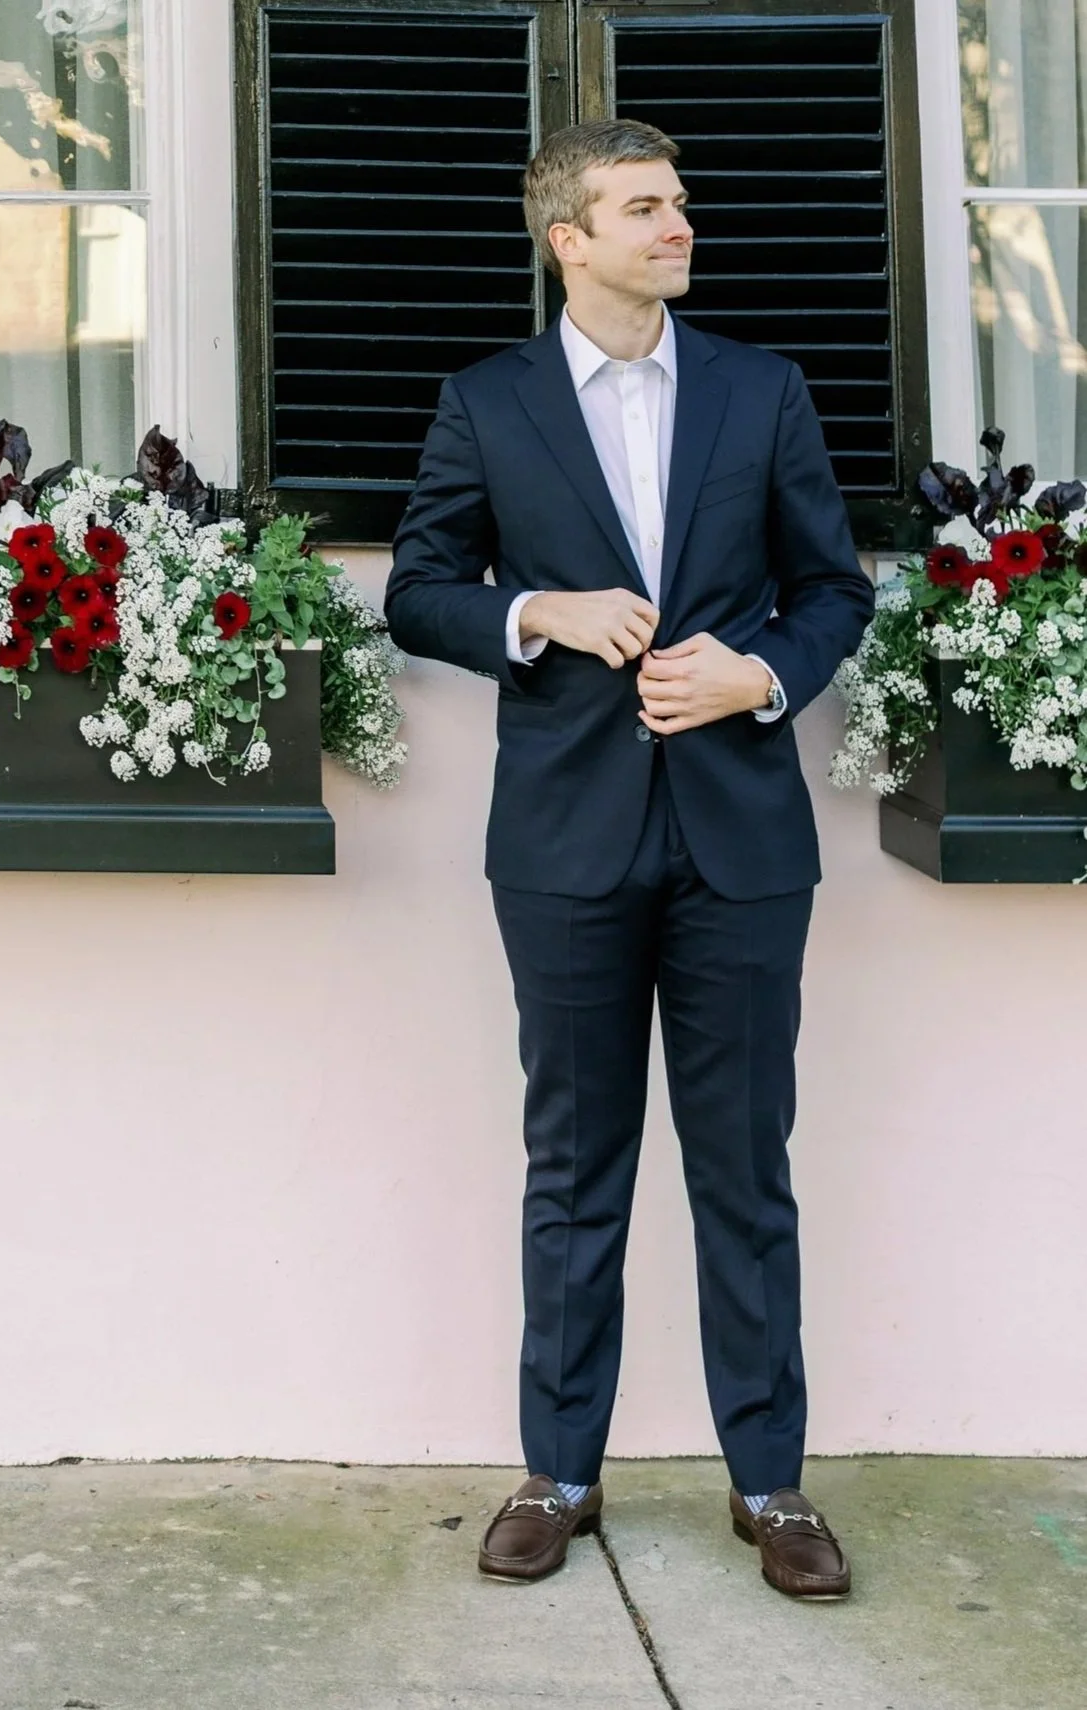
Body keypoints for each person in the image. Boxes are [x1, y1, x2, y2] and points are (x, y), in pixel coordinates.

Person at [383, 119, 874, 1600]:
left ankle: (773, 1485)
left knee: (743, 1172)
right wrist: (535, 611)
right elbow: (417, 592)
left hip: (742, 841)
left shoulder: (760, 389)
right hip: (563, 843)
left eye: (678, 206)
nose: (677, 228)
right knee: (573, 1170)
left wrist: (758, 678)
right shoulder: (487, 402)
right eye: (643, 209)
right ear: (569, 239)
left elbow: (830, 590)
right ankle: (560, 1470)